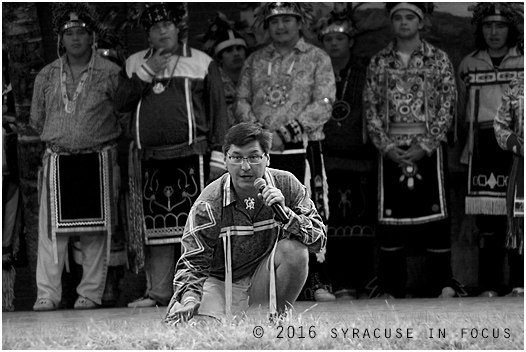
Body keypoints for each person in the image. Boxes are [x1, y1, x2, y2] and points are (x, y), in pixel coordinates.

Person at [115, 3, 229, 308]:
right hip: (150, 161)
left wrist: (220, 157)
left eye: (166, 25)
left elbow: (219, 112)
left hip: (194, 158)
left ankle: (201, 291)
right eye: (154, 27)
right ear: (147, 33)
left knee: (198, 229)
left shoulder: (201, 62)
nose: (161, 31)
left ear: (178, 28)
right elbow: (121, 102)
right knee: (158, 233)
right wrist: (146, 73)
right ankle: (160, 293)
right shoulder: (135, 63)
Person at [164, 122, 327, 325]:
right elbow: (193, 262)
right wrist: (189, 299)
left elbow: (318, 241)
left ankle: (272, 320)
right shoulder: (209, 202)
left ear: (267, 158)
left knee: (295, 251)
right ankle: (214, 316)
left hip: (261, 281)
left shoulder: (287, 185)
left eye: (253, 157)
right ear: (225, 160)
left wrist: (287, 216)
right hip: (218, 282)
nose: (245, 166)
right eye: (236, 157)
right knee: (200, 330)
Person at [235, 2, 336, 302]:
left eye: (288, 20)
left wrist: (287, 132)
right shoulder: (255, 61)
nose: (281, 26)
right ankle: (267, 280)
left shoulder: (317, 58)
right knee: (261, 212)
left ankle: (317, 279)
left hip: (302, 148)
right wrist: (260, 136)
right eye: (275, 20)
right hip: (262, 153)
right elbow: (241, 98)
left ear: (300, 22)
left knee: (311, 209)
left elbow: (325, 100)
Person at [363, 2, 463, 299]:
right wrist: (387, 146)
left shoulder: (438, 59)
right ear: (391, 23)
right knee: (391, 218)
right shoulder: (379, 61)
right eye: (398, 18)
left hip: (427, 150)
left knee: (435, 217)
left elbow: (448, 104)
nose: (404, 23)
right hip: (391, 150)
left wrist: (427, 145)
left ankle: (442, 283)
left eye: (410, 17)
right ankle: (391, 286)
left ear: (421, 22)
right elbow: (371, 108)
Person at [30, 4, 122, 311]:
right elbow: (36, 119)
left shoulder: (111, 73)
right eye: (69, 34)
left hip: (97, 160)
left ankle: (90, 293)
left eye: (82, 33)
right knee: (51, 233)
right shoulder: (46, 75)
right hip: (57, 161)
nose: (76, 39)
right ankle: (47, 294)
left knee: (95, 232)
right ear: (61, 39)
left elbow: (123, 117)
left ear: (92, 37)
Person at [458, 2, 523, 297]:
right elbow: (463, 108)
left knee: (520, 213)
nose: (494, 32)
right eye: (488, 26)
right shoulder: (469, 63)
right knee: (488, 219)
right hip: (483, 143)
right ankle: (488, 284)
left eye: (501, 26)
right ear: (480, 29)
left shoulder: (523, 60)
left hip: (517, 145)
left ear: (512, 28)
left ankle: (520, 283)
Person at [316, 3, 377, 300]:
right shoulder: (316, 72)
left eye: (340, 38)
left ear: (350, 41)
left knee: (364, 227)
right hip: (326, 161)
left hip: (361, 161)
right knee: (331, 228)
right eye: (328, 39)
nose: (334, 43)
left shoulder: (366, 71)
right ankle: (339, 284)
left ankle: (366, 283)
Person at [494, 78, 524, 297]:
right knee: (520, 222)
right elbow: (501, 125)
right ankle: (519, 283)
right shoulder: (516, 86)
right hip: (523, 159)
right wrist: (516, 144)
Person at [200, 12, 253, 128]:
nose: (236, 54)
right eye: (229, 50)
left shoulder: (256, 77)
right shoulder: (211, 82)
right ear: (220, 57)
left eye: (239, 49)